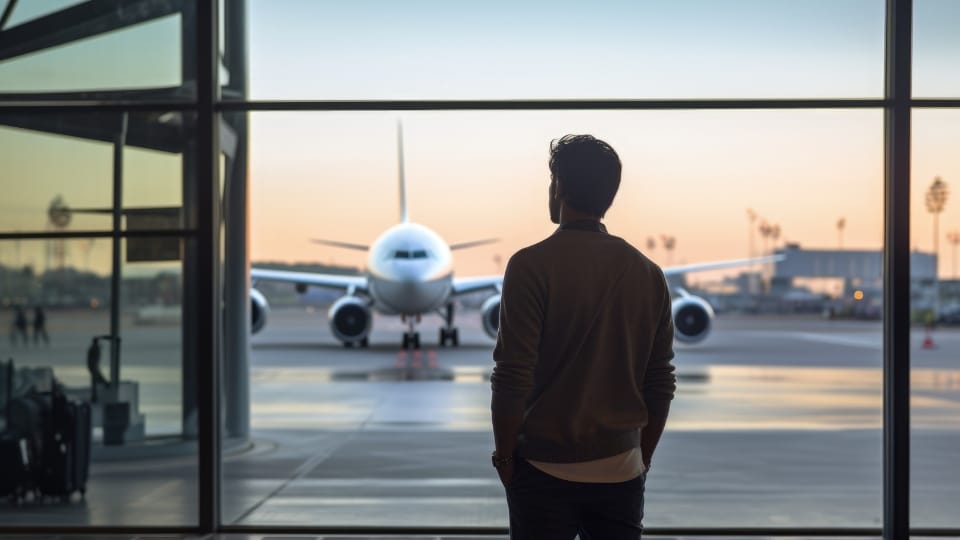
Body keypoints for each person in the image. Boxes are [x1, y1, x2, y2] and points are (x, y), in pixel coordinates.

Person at [491, 134, 677, 539]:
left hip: (542, 468)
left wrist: (505, 458)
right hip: (622, 467)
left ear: (558, 186)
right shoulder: (648, 274)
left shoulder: (529, 266)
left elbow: (511, 377)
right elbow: (660, 382)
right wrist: (639, 458)